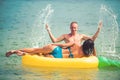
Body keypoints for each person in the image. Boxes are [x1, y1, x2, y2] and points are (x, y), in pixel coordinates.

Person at [6, 39, 95, 58]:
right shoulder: (85, 54)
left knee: (36, 50)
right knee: (39, 55)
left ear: (84, 43)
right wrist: (93, 48)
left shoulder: (76, 43)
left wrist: (53, 44)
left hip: (56, 49)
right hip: (58, 57)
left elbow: (63, 45)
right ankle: (25, 54)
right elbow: (95, 56)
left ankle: (16, 50)